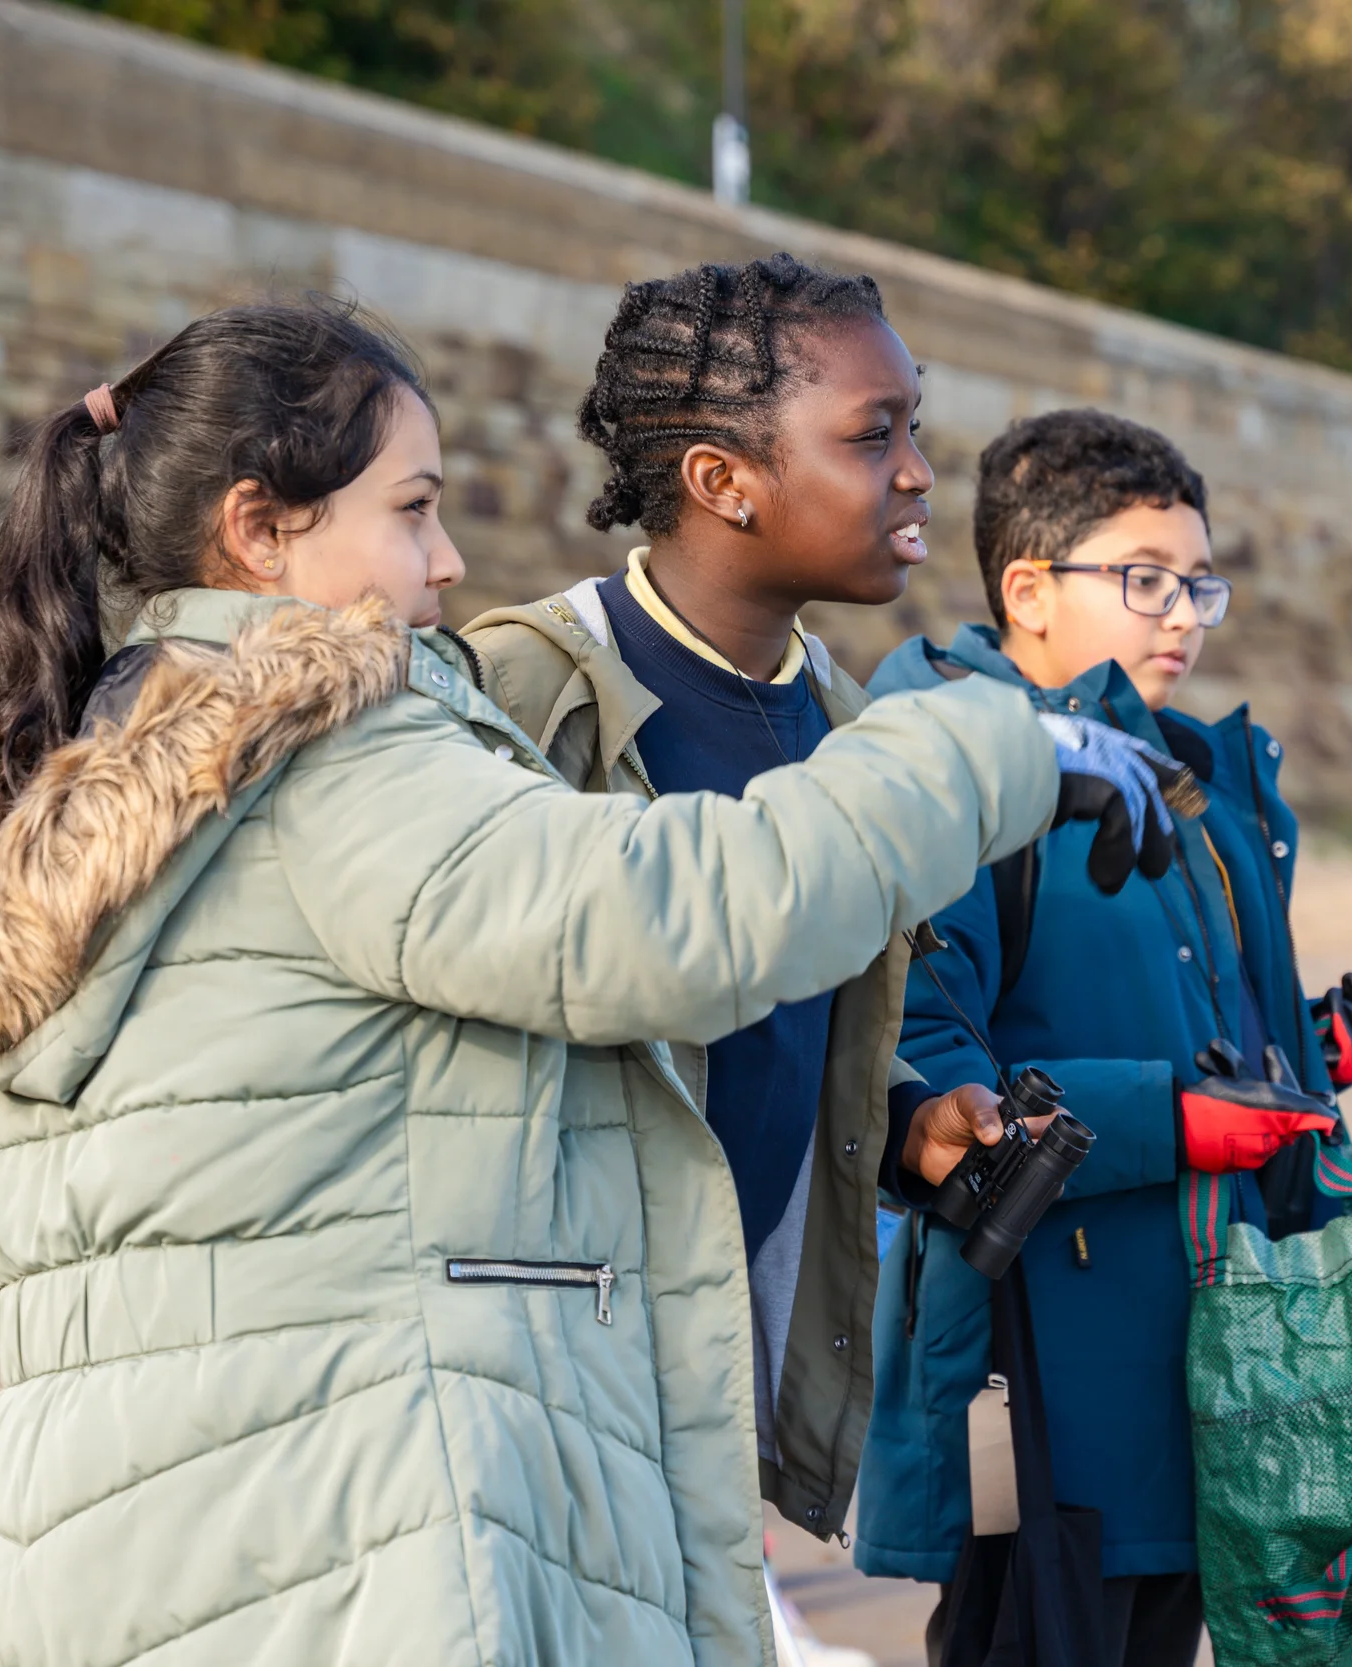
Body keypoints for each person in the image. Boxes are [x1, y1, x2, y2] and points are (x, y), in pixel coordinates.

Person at [0, 300, 1177, 1667]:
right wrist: (990, 749)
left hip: (148, 1548)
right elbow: (668, 917)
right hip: (357, 1545)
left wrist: (889, 1115)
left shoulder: (109, 789)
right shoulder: (324, 761)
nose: (449, 561)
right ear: (260, 531)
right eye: (413, 510)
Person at [457, 254, 1179, 1547]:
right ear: (723, 481)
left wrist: (908, 1121)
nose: (916, 471)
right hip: (531, 1376)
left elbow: (786, 1024)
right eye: (872, 434)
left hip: (722, 1362)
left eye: (917, 427)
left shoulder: (854, 727)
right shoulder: (517, 694)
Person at [851, 410, 1352, 1666]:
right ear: (1026, 589)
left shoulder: (1192, 774)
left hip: (1207, 1355)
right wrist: (1167, 1120)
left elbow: (1213, 1041)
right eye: (1143, 579)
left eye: (1197, 582)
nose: (1182, 613)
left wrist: (1324, 1048)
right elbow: (921, 1070)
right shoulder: (935, 767)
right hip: (1043, 1367)